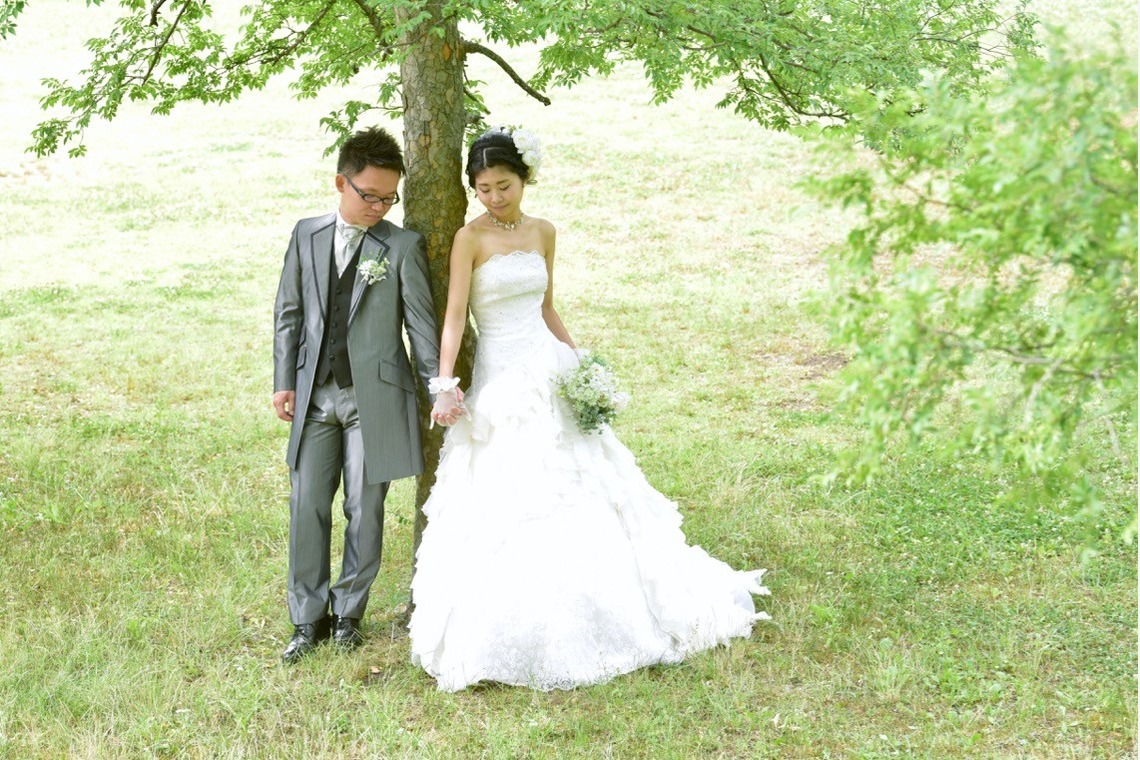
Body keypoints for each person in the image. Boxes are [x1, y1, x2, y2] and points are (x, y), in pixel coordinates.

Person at [409, 126, 770, 692]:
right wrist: (445, 382)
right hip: (503, 380)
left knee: (583, 482)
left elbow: (548, 306)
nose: (494, 197)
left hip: (549, 368)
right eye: (483, 188)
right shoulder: (468, 238)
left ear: (524, 179)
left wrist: (582, 365)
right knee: (513, 495)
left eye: (503, 185)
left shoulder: (544, 232)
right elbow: (455, 314)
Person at [272, 126, 461, 664]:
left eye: (388, 197)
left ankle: (349, 612)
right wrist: (284, 379)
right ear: (341, 182)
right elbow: (288, 313)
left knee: (364, 505)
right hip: (314, 395)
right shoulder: (305, 234)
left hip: (373, 400)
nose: (379, 206)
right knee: (306, 504)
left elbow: (422, 329)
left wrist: (439, 387)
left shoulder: (401, 247)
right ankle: (307, 619)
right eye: (368, 195)